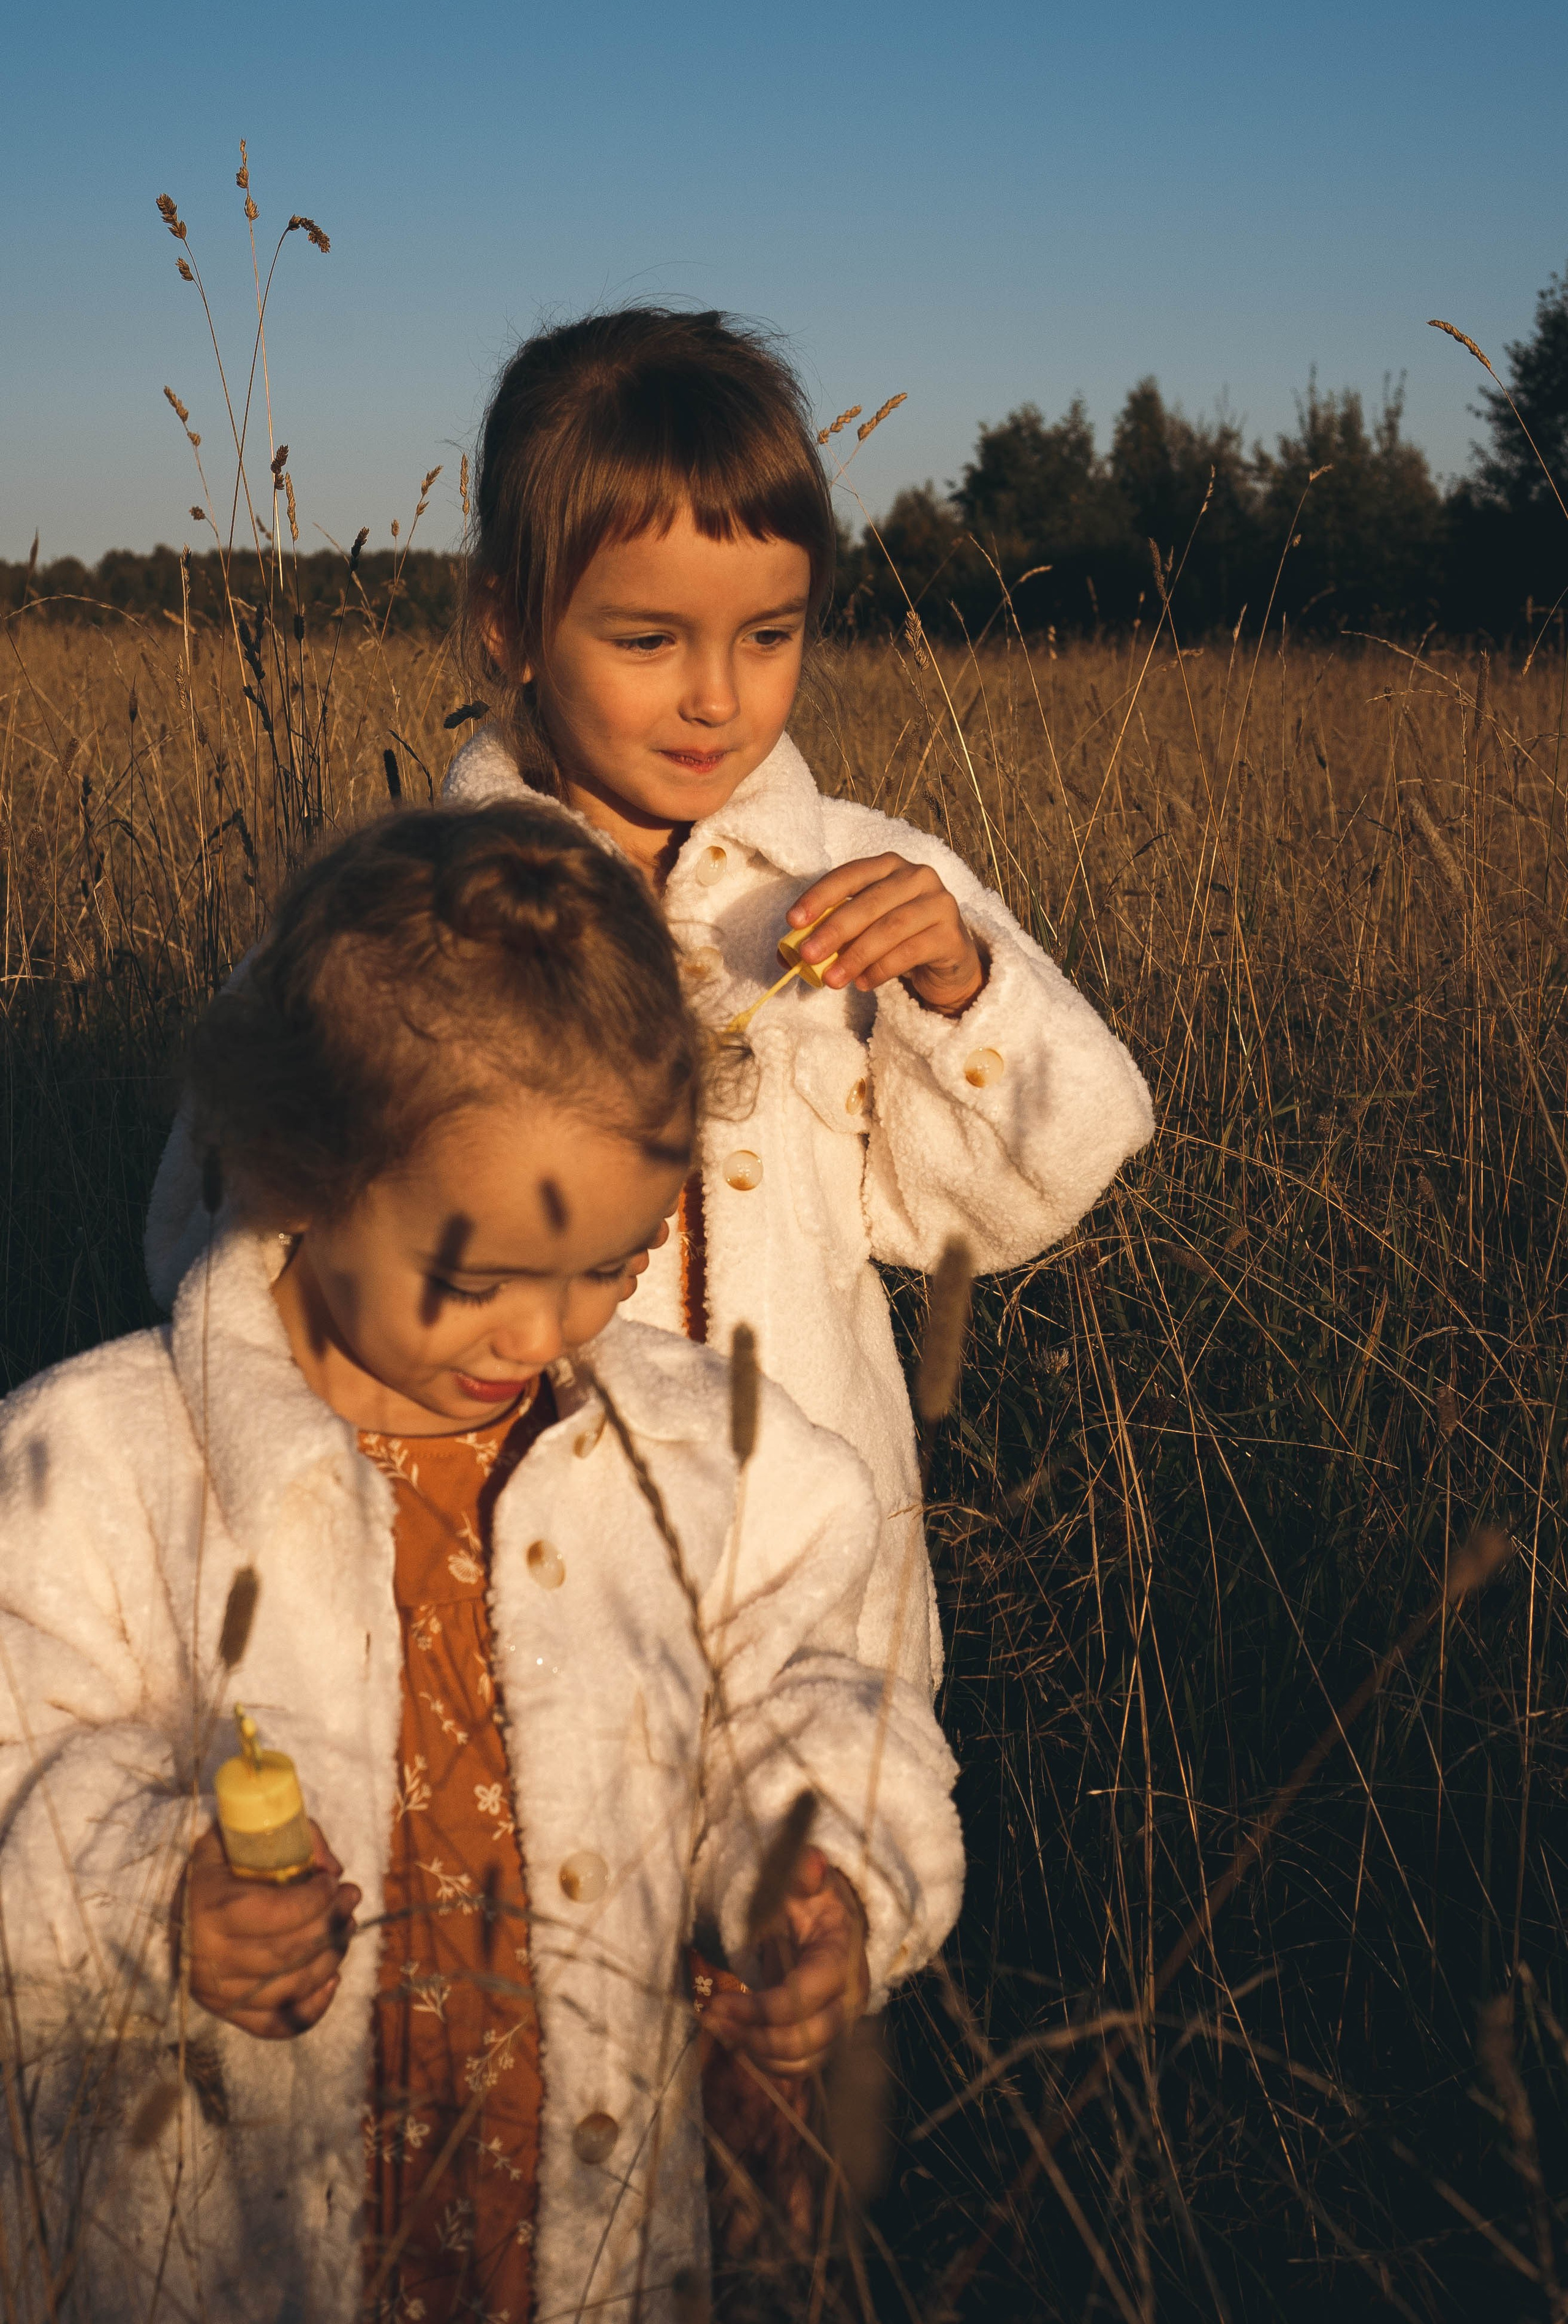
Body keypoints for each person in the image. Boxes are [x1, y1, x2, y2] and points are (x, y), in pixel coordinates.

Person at [0, 805, 963, 2324]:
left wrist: (821, 1876)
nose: (543, 1335)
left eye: (614, 1264)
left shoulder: (721, 1468)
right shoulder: (91, 1475)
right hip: (204, 2260)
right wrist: (149, 1894)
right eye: (481, 1279)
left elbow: (818, 1702)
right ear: (298, 1169)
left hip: (570, 2247)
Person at [148, 307, 1153, 1699]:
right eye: (646, 638)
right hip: (489, 1599)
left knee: (804, 1905)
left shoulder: (869, 884)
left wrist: (960, 985)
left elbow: (1017, 1196)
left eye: (768, 634)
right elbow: (214, 1243)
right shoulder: (392, 919)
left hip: (797, 1616)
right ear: (509, 619)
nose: (714, 697)